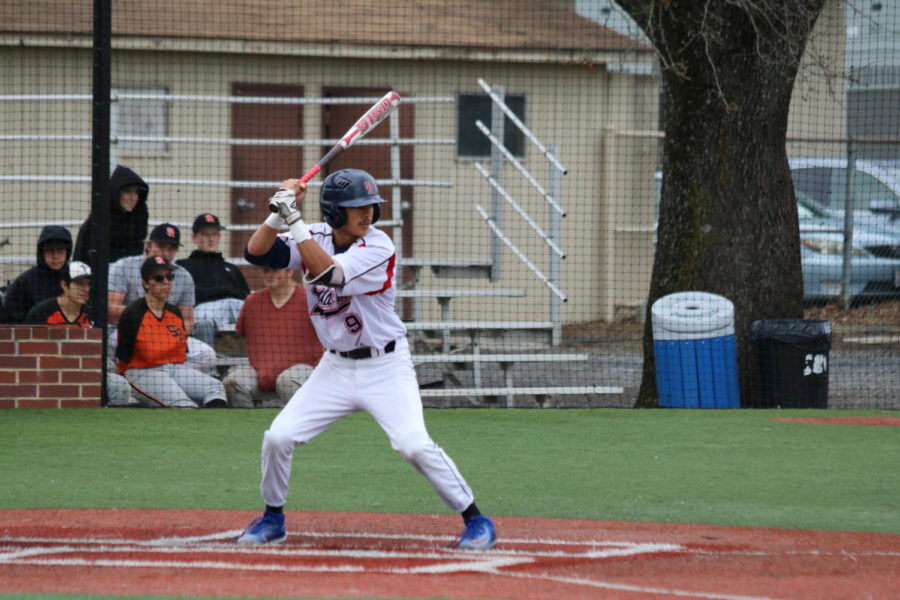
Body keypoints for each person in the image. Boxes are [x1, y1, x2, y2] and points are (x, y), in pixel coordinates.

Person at [235, 169, 496, 550]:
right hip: (336, 367)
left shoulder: (379, 247)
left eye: (371, 205)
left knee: (413, 445)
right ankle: (272, 518)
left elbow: (328, 272)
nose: (368, 213)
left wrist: (293, 218)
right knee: (278, 436)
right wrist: (277, 213)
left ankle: (476, 519)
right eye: (357, 207)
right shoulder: (317, 234)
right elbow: (255, 252)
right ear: (335, 212)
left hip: (385, 366)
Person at [116, 255, 227, 409]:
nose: (166, 282)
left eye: (169, 276)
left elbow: (181, 353)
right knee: (185, 405)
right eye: (159, 278)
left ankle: (216, 428)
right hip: (141, 372)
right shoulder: (132, 313)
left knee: (215, 387)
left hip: (173, 369)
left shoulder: (174, 313)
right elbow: (127, 357)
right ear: (145, 283)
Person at [108, 222, 216, 374]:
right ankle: (138, 380)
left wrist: (172, 338)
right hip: (127, 333)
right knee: (111, 346)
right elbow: (110, 309)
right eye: (161, 246)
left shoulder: (183, 276)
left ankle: (163, 376)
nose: (165, 252)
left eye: (171, 248)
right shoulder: (124, 267)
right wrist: (149, 322)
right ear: (149, 244)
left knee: (207, 355)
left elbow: (188, 320)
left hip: (166, 336)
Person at [24, 261, 135, 407]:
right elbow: (28, 351)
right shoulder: (42, 313)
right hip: (48, 372)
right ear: (64, 285)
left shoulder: (93, 314)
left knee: (121, 386)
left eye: (88, 284)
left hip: (85, 369)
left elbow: (97, 352)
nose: (86, 289)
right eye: (79, 283)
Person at [222, 266, 322, 409]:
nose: (269, 274)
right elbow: (240, 334)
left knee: (287, 381)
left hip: (305, 368)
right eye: (265, 270)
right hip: (260, 369)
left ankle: (302, 424)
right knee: (232, 383)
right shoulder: (252, 301)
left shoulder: (311, 300)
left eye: (274, 270)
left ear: (290, 271)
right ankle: (245, 426)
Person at [176, 213, 250, 347]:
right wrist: (225, 290)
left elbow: (246, 297)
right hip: (204, 312)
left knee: (260, 314)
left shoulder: (231, 269)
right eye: (205, 234)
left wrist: (223, 293)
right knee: (204, 321)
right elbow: (190, 297)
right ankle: (207, 366)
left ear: (219, 237)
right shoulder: (184, 266)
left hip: (233, 309)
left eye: (214, 234)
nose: (211, 239)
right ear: (194, 237)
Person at [73, 165, 149, 268]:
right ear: (116, 193)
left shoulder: (139, 218)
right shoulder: (97, 220)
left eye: (136, 192)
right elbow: (80, 259)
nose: (133, 198)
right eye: (127, 192)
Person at [2, 225, 72, 323]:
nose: (55, 256)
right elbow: (12, 320)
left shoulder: (75, 279)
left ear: (67, 252)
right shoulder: (24, 282)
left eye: (60, 251)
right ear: (41, 253)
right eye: (50, 251)